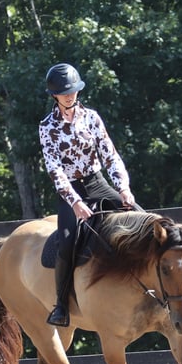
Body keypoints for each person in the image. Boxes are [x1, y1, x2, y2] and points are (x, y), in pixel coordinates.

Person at [39, 62, 137, 327]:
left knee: (140, 218)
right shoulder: (47, 127)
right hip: (72, 191)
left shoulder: (92, 118)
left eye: (73, 90)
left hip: (98, 183)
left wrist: (123, 188)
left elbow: (110, 155)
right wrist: (75, 203)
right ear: (54, 95)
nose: (70, 95)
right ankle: (61, 306)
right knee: (68, 241)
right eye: (64, 92)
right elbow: (55, 170)